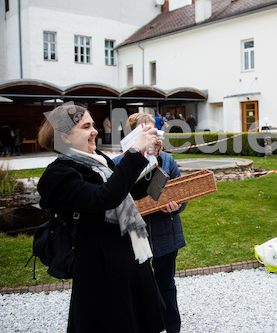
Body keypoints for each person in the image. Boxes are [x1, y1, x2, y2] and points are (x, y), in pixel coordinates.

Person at [36, 104, 166, 333]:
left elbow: (129, 192)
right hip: (100, 272)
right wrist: (134, 154)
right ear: (64, 136)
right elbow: (103, 199)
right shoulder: (58, 175)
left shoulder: (99, 160)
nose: (95, 131)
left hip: (130, 261)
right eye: (86, 126)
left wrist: (150, 157)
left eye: (93, 125)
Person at [114, 112, 186, 333]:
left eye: (153, 131)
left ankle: (172, 327)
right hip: (134, 238)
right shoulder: (118, 164)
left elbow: (181, 196)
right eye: (144, 131)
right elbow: (112, 201)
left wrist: (178, 206)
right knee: (137, 287)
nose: (151, 136)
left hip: (166, 232)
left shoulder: (167, 160)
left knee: (166, 285)